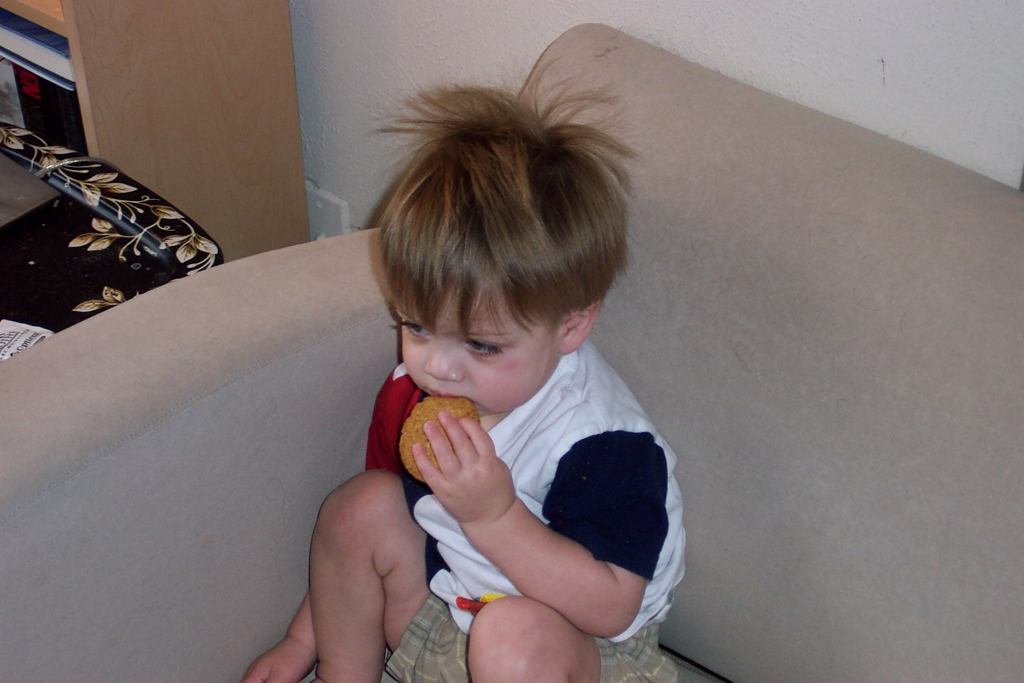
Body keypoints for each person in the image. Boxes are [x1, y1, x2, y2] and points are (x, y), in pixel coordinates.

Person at [241, 85, 685, 683]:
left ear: (571, 326)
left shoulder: (604, 443)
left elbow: (611, 608)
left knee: (511, 638)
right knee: (358, 507)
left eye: (481, 345)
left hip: (574, 653)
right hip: (455, 607)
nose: (438, 368)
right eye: (417, 326)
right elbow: (400, 515)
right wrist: (303, 639)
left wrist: (494, 516)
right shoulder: (431, 394)